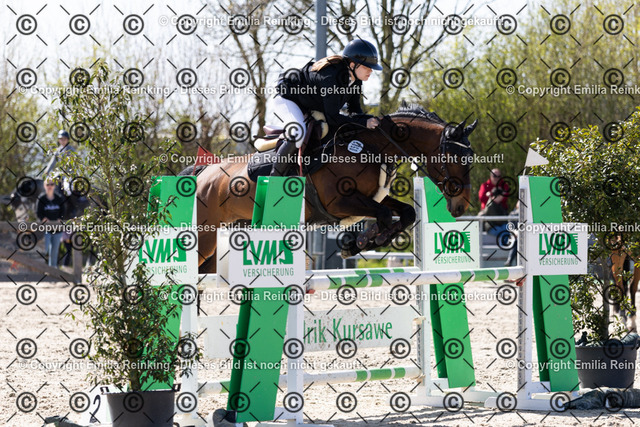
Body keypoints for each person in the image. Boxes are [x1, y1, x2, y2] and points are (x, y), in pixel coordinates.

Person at [270, 38, 383, 176]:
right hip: (287, 97)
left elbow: (354, 111)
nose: (370, 71)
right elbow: (332, 118)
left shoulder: (356, 81)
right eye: (366, 67)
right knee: (298, 133)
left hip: (310, 103)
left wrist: (372, 120)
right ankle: (274, 179)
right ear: (353, 65)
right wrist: (364, 122)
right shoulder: (331, 77)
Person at [36, 178, 66, 267]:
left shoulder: (59, 198)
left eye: (51, 184)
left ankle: (53, 270)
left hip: (57, 229)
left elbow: (63, 212)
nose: (49, 186)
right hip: (45, 229)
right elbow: (38, 213)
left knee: (54, 251)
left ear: (54, 186)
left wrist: (60, 219)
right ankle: (41, 269)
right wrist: (43, 218)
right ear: (44, 186)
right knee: (44, 250)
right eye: (47, 184)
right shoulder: (41, 199)